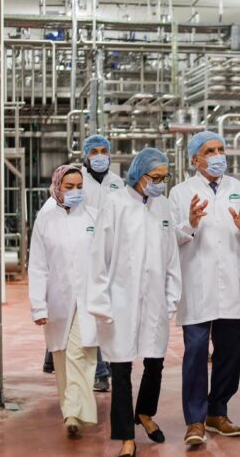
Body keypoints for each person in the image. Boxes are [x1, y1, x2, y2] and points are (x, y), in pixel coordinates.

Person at [87, 148, 182, 457]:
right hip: (121, 300)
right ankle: (126, 435)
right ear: (138, 175)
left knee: (155, 361)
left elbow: (171, 256)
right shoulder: (115, 204)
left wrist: (171, 297)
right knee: (122, 367)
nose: (160, 183)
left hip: (155, 299)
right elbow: (99, 257)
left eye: (164, 177)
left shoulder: (162, 205)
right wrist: (101, 301)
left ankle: (145, 412)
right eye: (155, 178)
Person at [169, 131, 240, 446]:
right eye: (210, 151)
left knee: (229, 355)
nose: (218, 155)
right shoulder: (180, 193)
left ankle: (217, 412)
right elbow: (170, 239)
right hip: (197, 285)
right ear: (196, 159)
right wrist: (190, 224)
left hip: (234, 284)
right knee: (195, 352)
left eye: (221, 149)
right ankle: (195, 419)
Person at [40, 134, 124, 391]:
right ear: (86, 155)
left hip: (109, 250)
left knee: (97, 314)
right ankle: (99, 372)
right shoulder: (77, 180)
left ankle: (61, 359)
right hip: (80, 251)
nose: (99, 156)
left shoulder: (117, 182)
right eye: (94, 152)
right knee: (84, 313)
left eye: (103, 151)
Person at [28, 165, 99, 438]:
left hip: (90, 299)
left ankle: (73, 412)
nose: (75, 192)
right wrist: (38, 306)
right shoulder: (45, 221)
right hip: (57, 300)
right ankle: (72, 410)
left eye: (79, 186)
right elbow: (38, 266)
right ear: (57, 187)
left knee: (80, 353)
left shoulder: (93, 217)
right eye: (69, 187)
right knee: (61, 356)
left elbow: (105, 260)